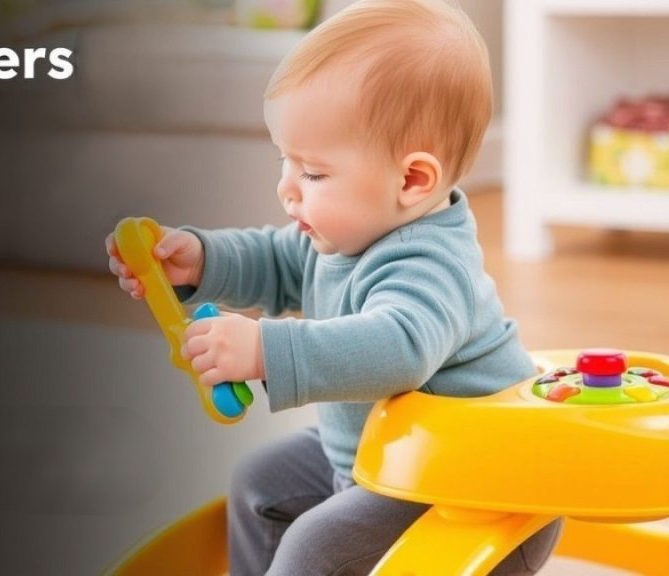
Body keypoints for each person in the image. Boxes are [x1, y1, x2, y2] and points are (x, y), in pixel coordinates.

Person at [105, 0, 561, 573]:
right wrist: (200, 260)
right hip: (382, 464)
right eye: (285, 161)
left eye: (313, 172)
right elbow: (278, 262)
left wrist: (263, 350)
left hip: (471, 491)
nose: (287, 189)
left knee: (315, 547)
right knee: (259, 483)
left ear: (413, 180)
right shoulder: (348, 232)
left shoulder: (431, 260)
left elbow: (397, 348)